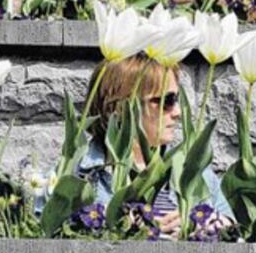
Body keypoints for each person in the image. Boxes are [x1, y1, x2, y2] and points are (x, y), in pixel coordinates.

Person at [77, 55, 234, 238]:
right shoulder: (78, 175)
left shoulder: (194, 172)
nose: (176, 112)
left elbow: (235, 235)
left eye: (175, 99)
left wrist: (203, 224)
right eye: (165, 101)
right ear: (120, 108)